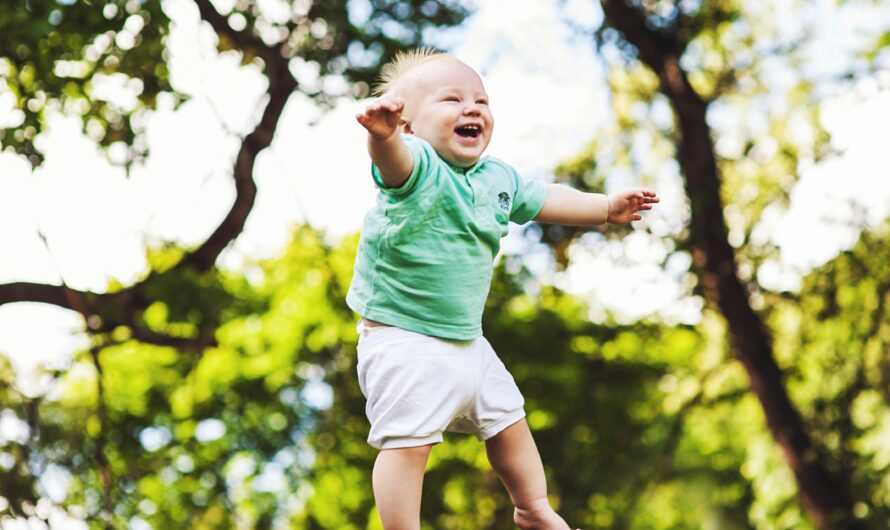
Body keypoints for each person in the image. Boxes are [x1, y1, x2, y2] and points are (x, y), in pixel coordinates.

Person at [347, 48, 659, 530]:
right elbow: (392, 163)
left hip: (468, 340)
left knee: (509, 421)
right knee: (409, 444)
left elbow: (547, 198)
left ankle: (532, 508)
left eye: (481, 100)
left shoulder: (498, 177)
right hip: (403, 339)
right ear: (409, 126)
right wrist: (382, 136)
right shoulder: (418, 168)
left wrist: (605, 208)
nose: (472, 108)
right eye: (451, 99)